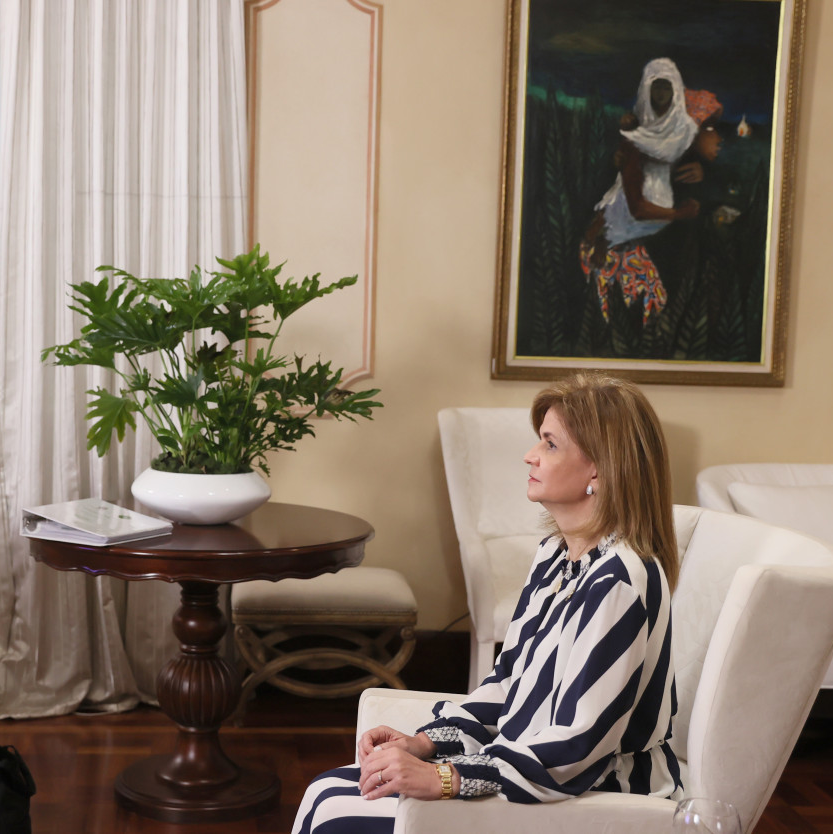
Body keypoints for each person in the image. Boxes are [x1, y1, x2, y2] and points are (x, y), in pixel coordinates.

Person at [292, 374, 682, 833]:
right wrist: (425, 744)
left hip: (597, 797)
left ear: (598, 470)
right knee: (325, 789)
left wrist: (446, 777)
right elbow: (509, 683)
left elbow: (578, 747)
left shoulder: (620, 581)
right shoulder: (556, 557)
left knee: (338, 817)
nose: (530, 455)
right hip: (528, 774)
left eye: (550, 444)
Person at [580, 58, 704, 325]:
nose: (661, 93)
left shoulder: (684, 129)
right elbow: (635, 205)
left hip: (648, 227)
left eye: (666, 86)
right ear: (646, 89)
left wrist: (701, 169)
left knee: (648, 311)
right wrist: (678, 213)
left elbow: (697, 152)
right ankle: (604, 241)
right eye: (655, 86)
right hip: (627, 224)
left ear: (676, 89)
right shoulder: (636, 132)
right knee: (612, 313)